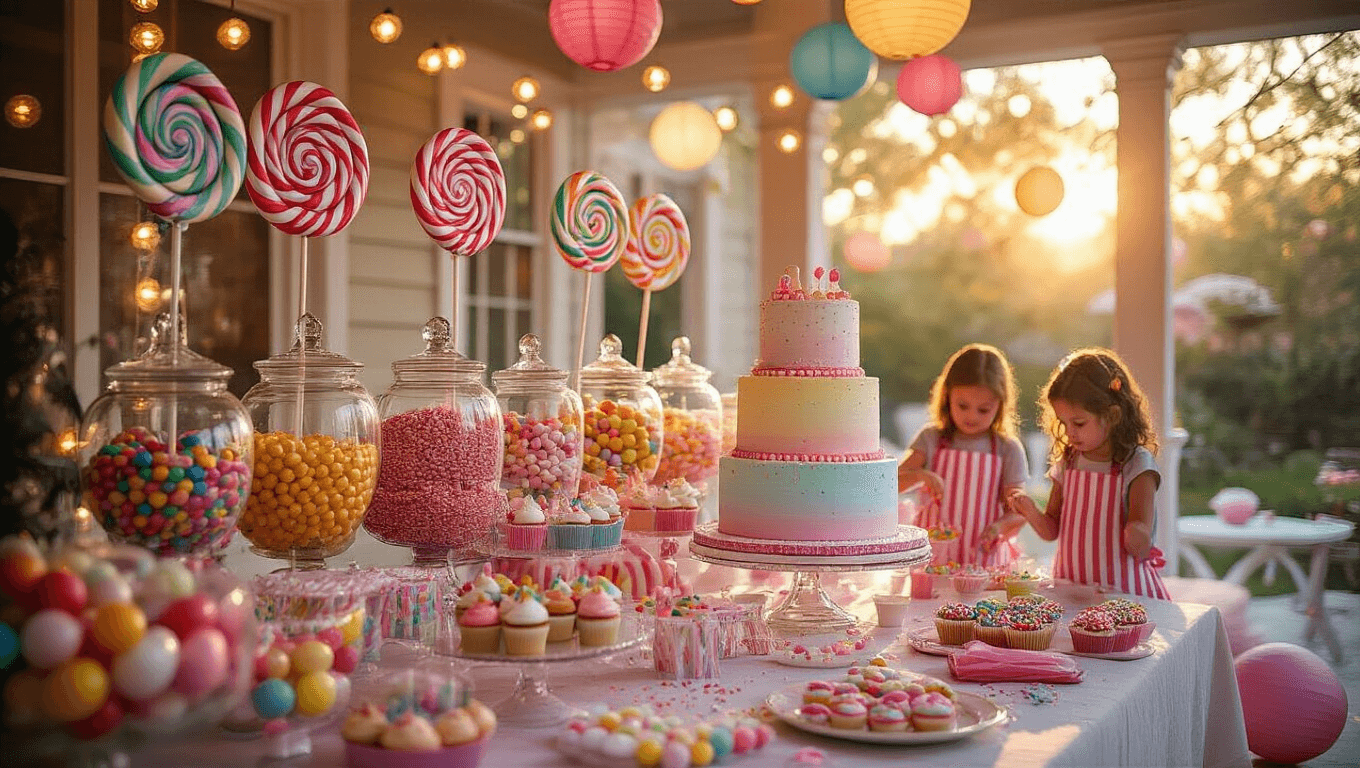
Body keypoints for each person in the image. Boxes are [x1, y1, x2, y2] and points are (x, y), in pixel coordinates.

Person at [1009, 348, 1170, 599]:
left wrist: (1137, 533)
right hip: (1071, 592)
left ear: (1113, 415)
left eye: (1079, 423)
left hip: (1123, 596)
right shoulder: (1069, 461)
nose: (1069, 432)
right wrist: (1030, 511)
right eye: (1063, 423)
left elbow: (1141, 540)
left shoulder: (1136, 464)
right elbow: (1051, 530)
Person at [896, 344, 1030, 567]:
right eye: (963, 405)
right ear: (947, 396)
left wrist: (999, 527)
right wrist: (919, 475)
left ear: (1000, 405)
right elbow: (891, 486)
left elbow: (1019, 512)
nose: (972, 416)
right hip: (931, 564)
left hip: (983, 562)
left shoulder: (1007, 448)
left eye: (983, 409)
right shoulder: (931, 438)